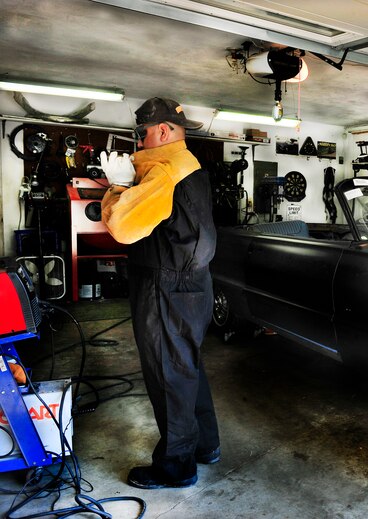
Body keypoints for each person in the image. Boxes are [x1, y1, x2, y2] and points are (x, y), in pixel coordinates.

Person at [100, 97, 220, 489]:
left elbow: (124, 227)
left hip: (165, 285)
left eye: (142, 134)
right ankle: (205, 446)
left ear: (163, 131)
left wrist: (118, 185)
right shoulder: (189, 164)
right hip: (194, 283)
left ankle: (176, 466)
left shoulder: (163, 169)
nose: (138, 143)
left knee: (168, 373)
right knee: (187, 367)